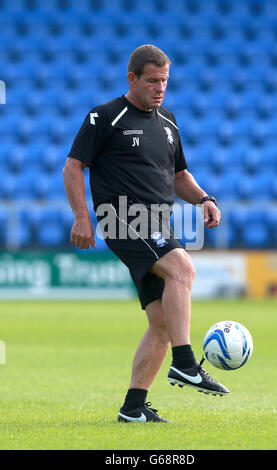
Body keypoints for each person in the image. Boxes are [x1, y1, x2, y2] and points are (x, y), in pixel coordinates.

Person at [63, 44, 229, 423]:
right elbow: (73, 167)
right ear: (132, 78)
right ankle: (186, 364)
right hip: (122, 217)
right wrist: (81, 217)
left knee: (162, 323)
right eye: (152, 81)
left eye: (165, 82)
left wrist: (204, 198)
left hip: (158, 222)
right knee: (183, 270)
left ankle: (133, 407)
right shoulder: (105, 117)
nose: (159, 88)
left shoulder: (167, 122)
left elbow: (179, 177)